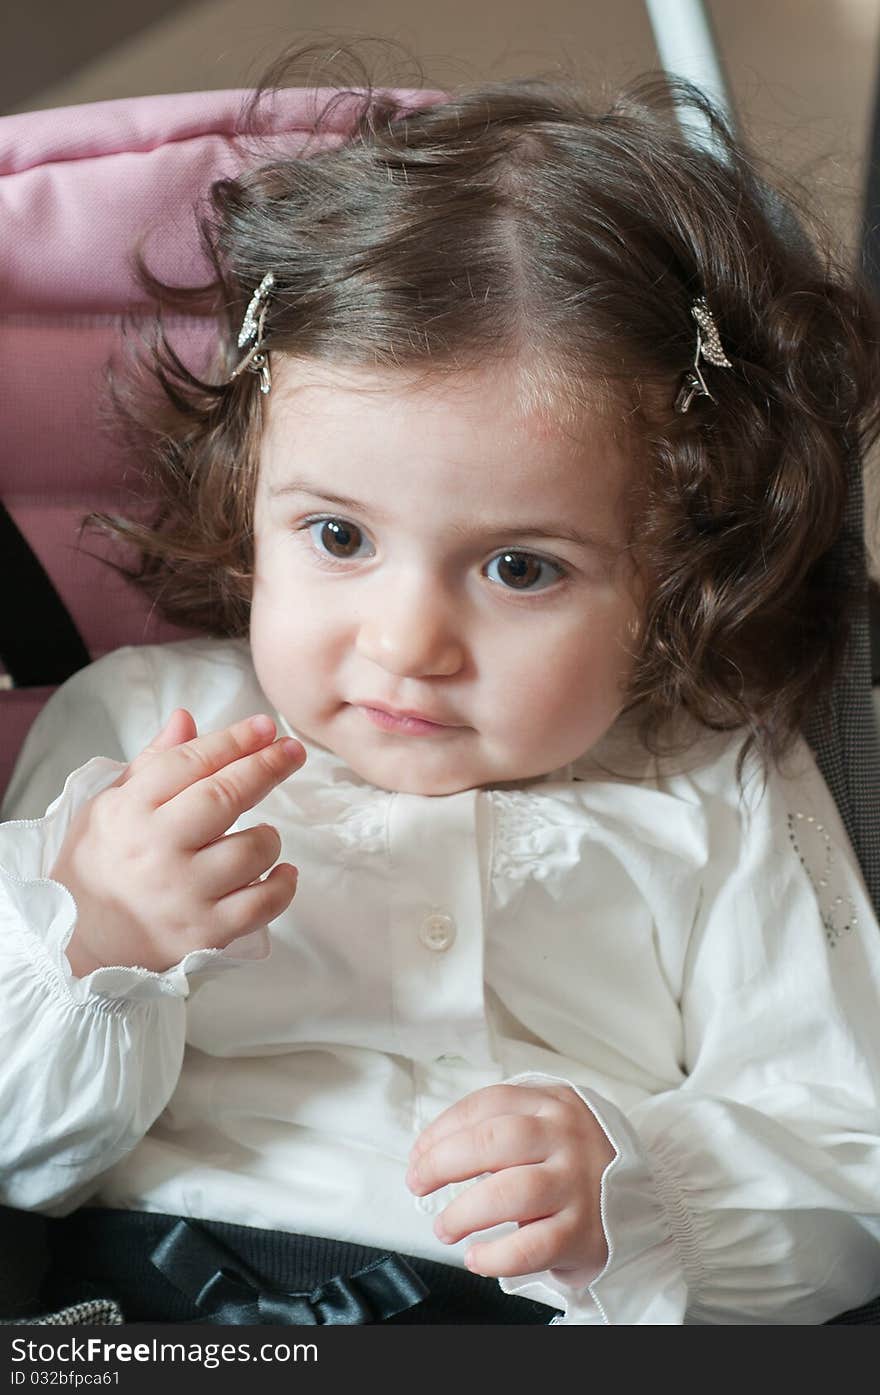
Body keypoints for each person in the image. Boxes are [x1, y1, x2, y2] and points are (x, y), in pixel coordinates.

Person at [2, 60, 880, 1328]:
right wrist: (93, 940)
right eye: (340, 538)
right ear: (252, 494)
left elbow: (846, 1162)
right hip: (181, 1303)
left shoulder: (716, 776)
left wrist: (632, 1184)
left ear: (677, 570)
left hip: (564, 1310)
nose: (408, 641)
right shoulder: (140, 731)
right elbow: (23, 1164)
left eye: (521, 567)